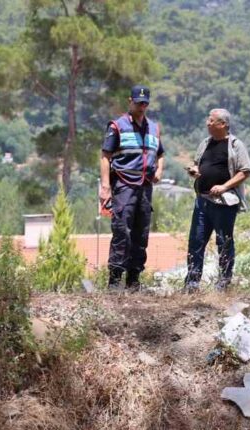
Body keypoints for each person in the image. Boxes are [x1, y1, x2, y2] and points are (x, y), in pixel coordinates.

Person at [100, 85, 165, 291]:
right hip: (124, 185)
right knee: (122, 232)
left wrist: (159, 171)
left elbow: (161, 154)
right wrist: (105, 186)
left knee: (141, 233)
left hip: (145, 187)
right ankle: (115, 280)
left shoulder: (154, 128)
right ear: (130, 101)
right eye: (138, 102)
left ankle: (134, 280)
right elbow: (105, 157)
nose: (142, 106)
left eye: (145, 103)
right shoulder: (117, 126)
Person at [184, 108, 250, 292]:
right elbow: (196, 163)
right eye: (208, 119)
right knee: (196, 242)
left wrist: (224, 186)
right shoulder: (205, 143)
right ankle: (191, 284)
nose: (208, 123)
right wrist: (194, 170)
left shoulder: (236, 145)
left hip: (224, 203)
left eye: (212, 120)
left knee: (224, 242)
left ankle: (223, 283)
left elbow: (245, 171)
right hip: (202, 200)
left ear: (222, 124)